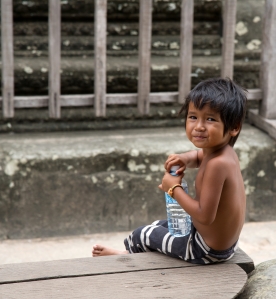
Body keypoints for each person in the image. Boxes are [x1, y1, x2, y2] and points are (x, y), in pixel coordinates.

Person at [92, 78, 248, 264]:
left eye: (210, 119)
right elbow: (199, 156)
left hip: (205, 249)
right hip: (223, 242)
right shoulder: (224, 153)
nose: (198, 126)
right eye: (193, 117)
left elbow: (205, 216)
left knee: (143, 234)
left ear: (234, 127)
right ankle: (134, 253)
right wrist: (186, 158)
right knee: (158, 226)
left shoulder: (217, 165)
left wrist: (174, 189)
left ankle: (127, 257)